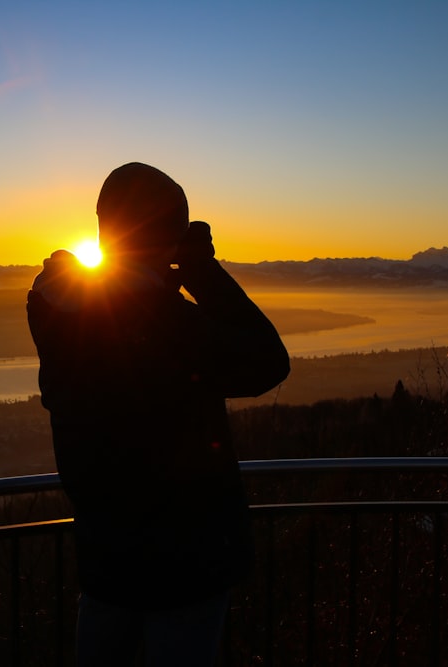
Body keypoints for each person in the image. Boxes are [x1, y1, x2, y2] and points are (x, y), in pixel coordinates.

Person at [27, 162, 290, 666]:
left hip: (107, 557)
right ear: (166, 234)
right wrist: (203, 273)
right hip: (185, 561)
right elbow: (267, 362)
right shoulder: (163, 322)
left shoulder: (60, 309)